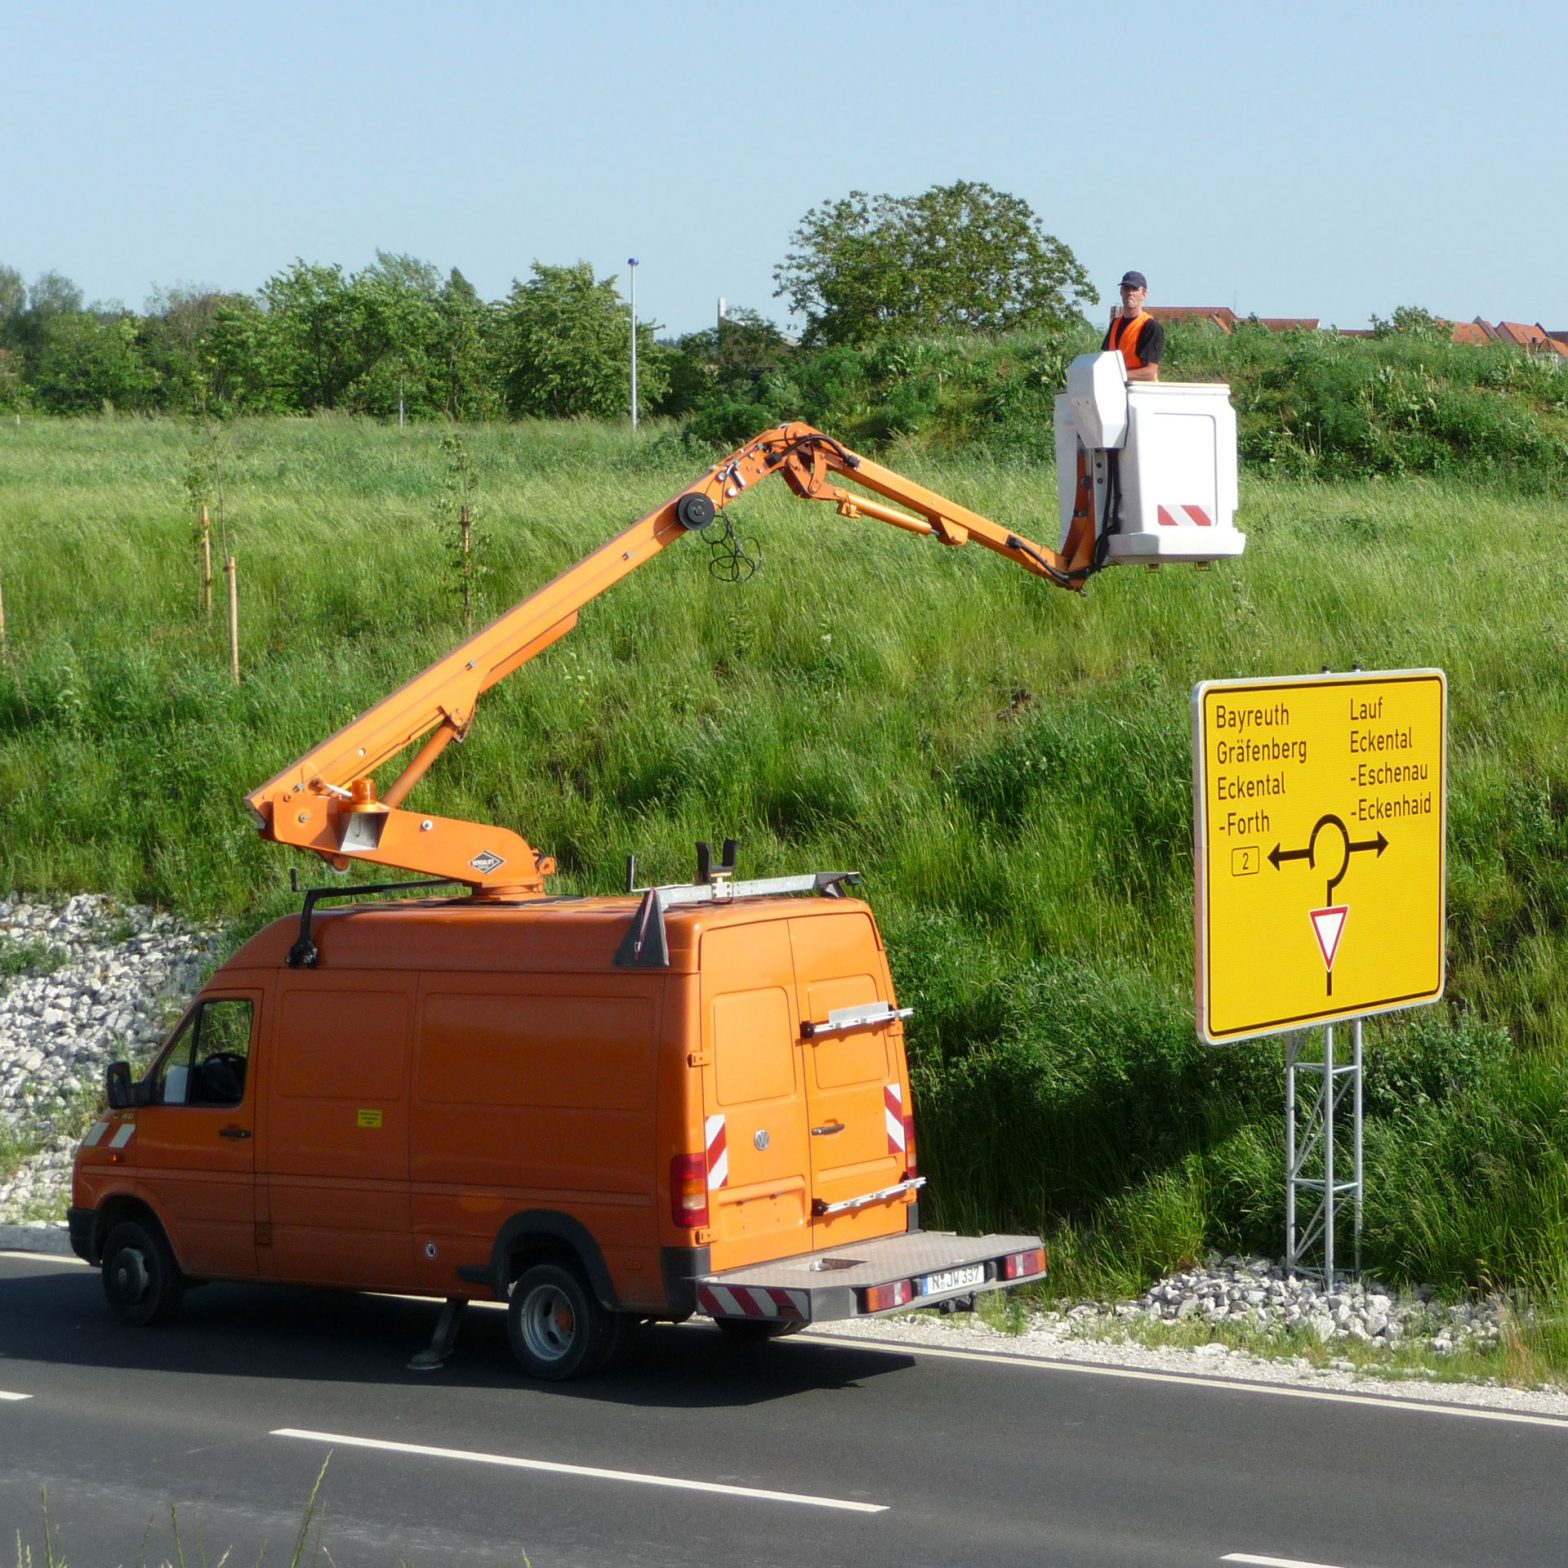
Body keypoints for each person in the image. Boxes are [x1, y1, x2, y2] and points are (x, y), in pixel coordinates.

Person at [1103, 271, 1163, 382]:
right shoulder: (1115, 324)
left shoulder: (1151, 326)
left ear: (1144, 294)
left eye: (1134, 289)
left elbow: (1150, 372)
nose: (1130, 293)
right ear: (1121, 292)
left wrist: (1116, 375)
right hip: (1116, 389)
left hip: (1141, 392)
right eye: (1126, 288)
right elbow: (1105, 360)